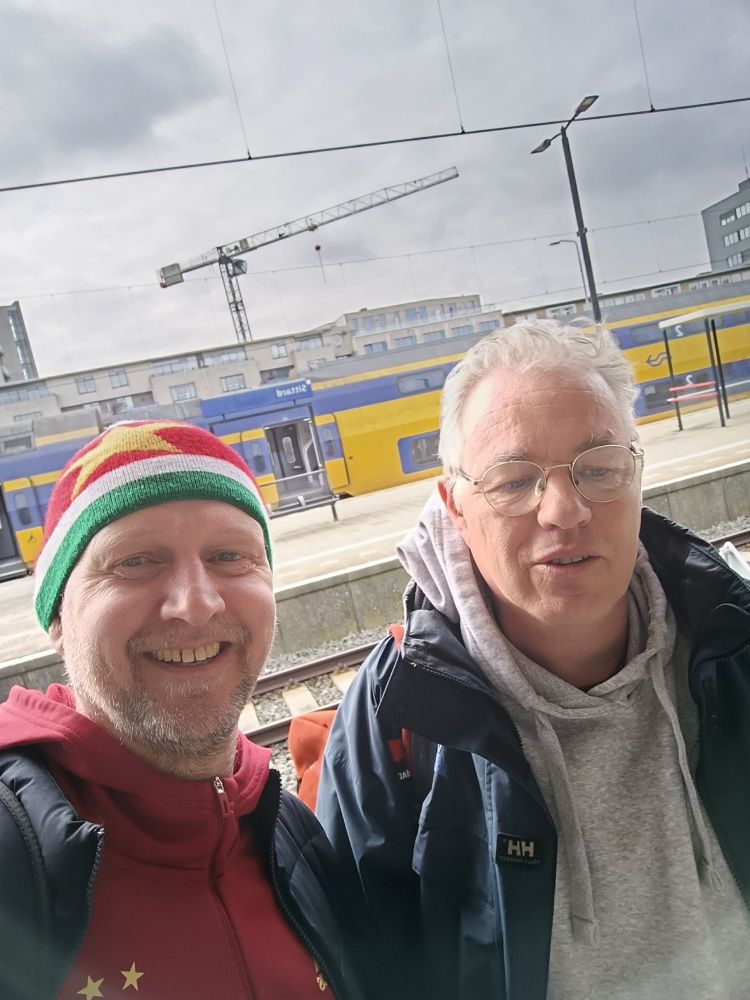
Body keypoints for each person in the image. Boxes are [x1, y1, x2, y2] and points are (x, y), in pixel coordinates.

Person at [316, 320, 750, 1000]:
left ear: (637, 475)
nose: (564, 509)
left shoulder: (733, 642)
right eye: (515, 481)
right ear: (454, 508)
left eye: (598, 468)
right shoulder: (395, 717)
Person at [0, 419, 368, 1000]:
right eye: (135, 562)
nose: (196, 605)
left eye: (229, 555)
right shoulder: (12, 848)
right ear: (57, 620)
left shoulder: (291, 833)